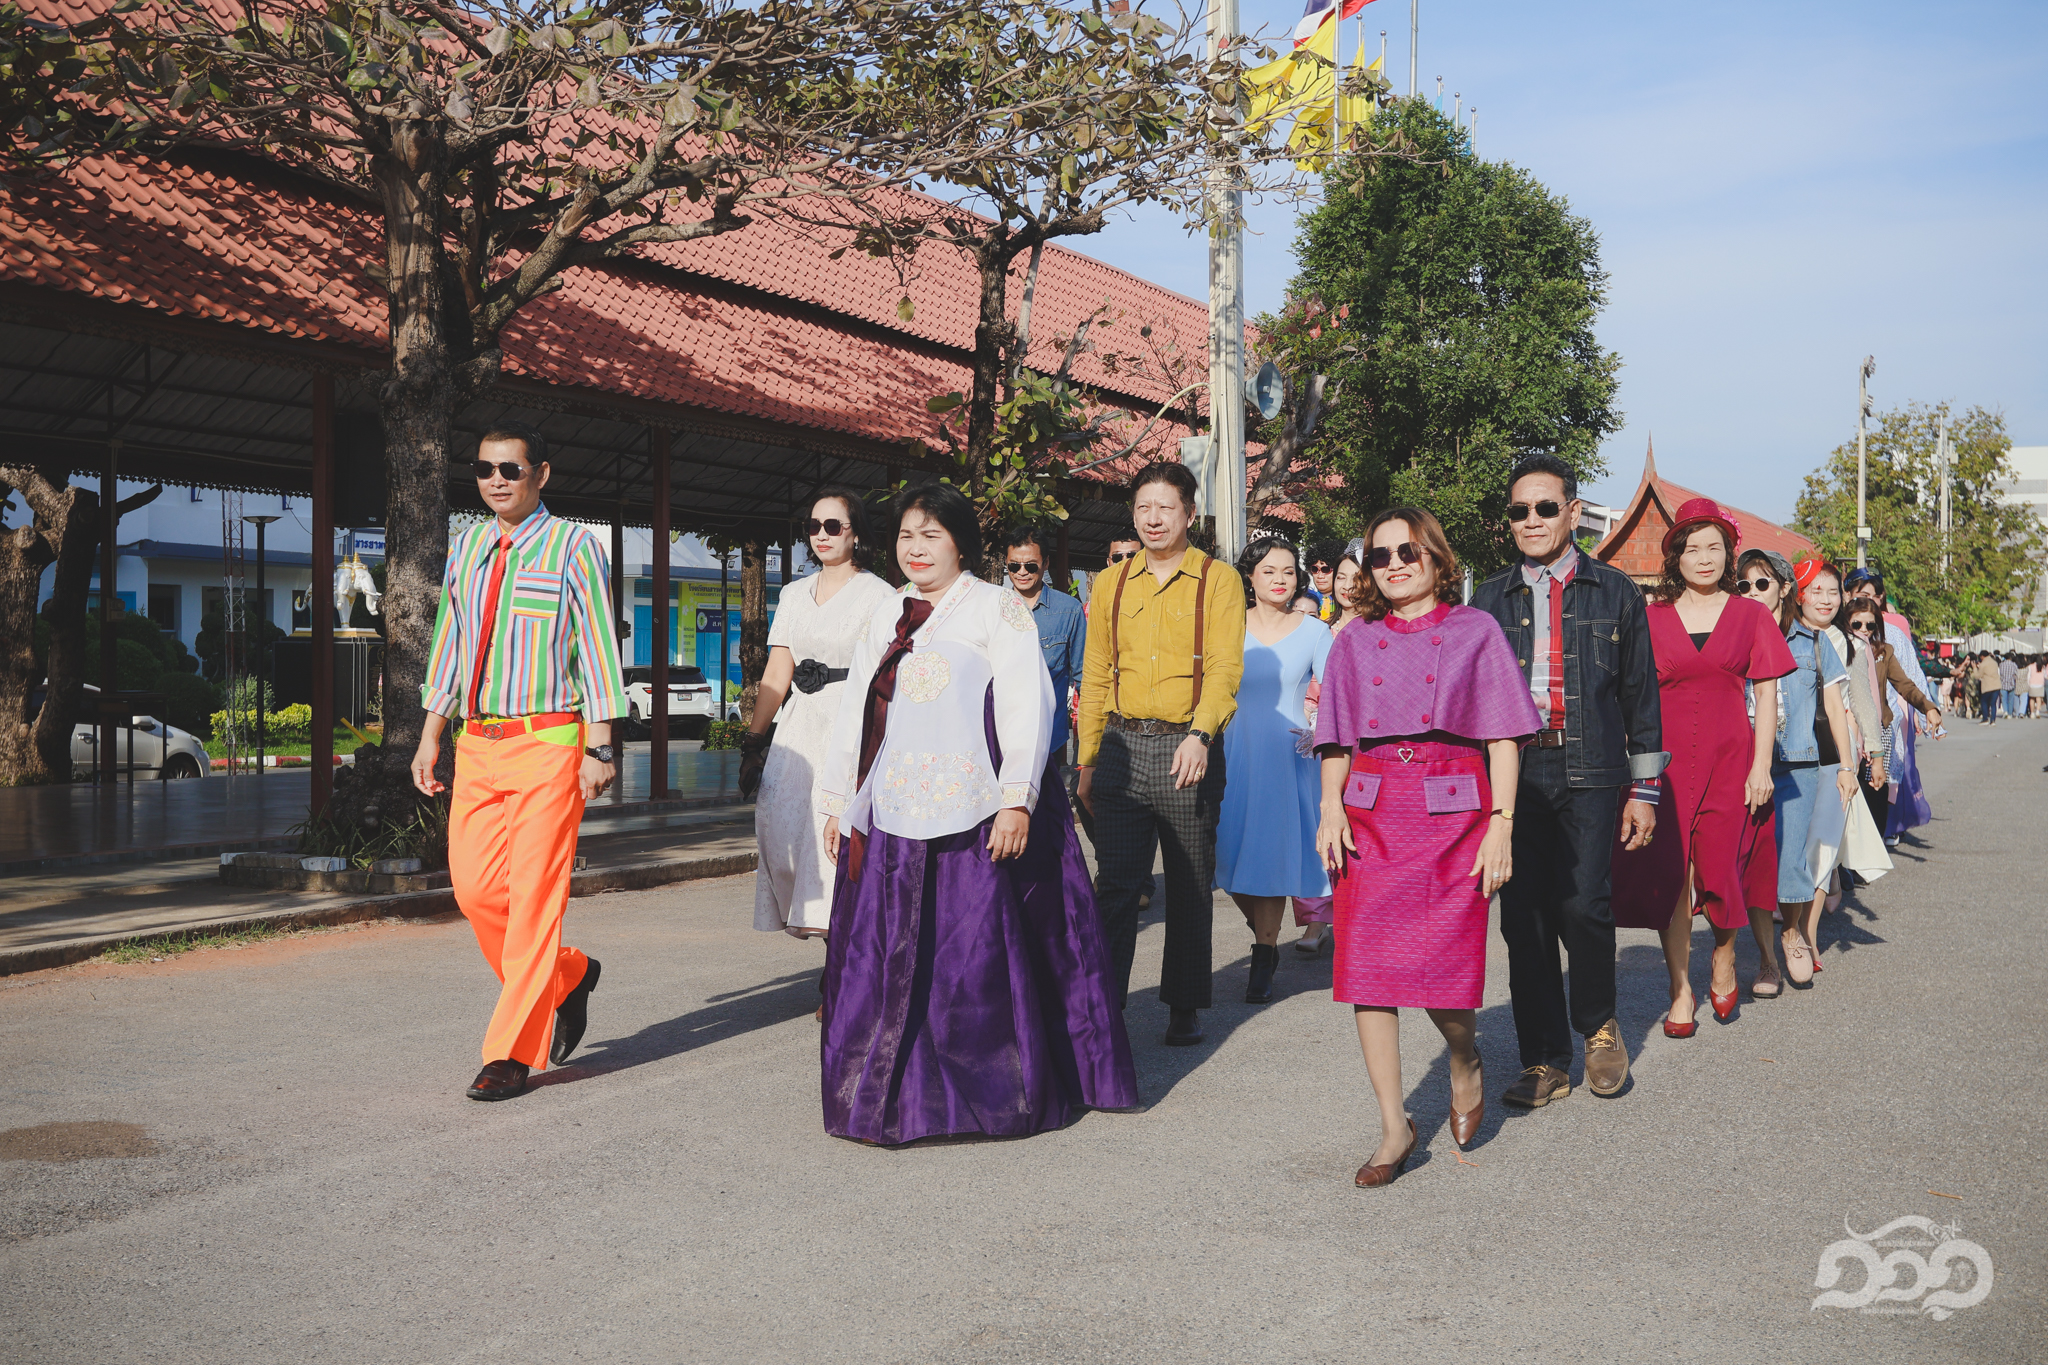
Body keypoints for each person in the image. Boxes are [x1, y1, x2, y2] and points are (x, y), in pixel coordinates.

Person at [814, 483, 1137, 1144]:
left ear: (961, 542)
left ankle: (990, 1092)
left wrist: (1016, 799)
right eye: (907, 535)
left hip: (976, 813)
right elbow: (857, 714)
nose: (916, 548)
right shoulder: (887, 612)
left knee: (973, 962)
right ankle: (895, 1094)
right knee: (891, 961)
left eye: (931, 535)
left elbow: (1028, 706)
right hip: (894, 813)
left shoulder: (997, 608)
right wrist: (839, 803)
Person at [1315, 506, 1538, 1186]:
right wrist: (1329, 807)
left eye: (1407, 550)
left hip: (1454, 811)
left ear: (1437, 557)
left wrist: (1502, 823)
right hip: (1371, 811)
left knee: (1445, 971)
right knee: (1367, 971)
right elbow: (1336, 737)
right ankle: (1394, 1125)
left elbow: (1504, 737)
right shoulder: (1354, 640)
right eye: (1380, 556)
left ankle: (1463, 1059)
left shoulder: (1476, 630)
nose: (1394, 565)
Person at [412, 422, 625, 1101]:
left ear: (541, 474)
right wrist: (431, 733)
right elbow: (449, 643)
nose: (496, 480)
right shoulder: (469, 545)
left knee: (534, 899)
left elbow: (597, 644)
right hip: (477, 742)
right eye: (484, 469)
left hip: (549, 741)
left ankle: (510, 1052)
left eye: (510, 468)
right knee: (476, 892)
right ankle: (569, 975)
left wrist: (599, 744)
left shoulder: (573, 547)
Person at [1470, 455, 1664, 1107]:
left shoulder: (1616, 591)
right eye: (1519, 510)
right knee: (1521, 917)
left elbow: (1640, 695)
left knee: (1584, 904)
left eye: (1545, 507)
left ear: (1573, 512)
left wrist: (1645, 791)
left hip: (1591, 767)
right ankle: (1543, 1058)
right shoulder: (1487, 599)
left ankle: (1599, 1028)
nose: (1532, 520)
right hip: (1512, 773)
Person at [1076, 461, 1246, 1046]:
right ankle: (1105, 1007)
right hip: (1121, 746)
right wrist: (1087, 760)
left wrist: (1202, 735)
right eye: (1143, 508)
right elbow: (1096, 673)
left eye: (1165, 508)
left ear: (1189, 515)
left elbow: (1225, 668)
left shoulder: (1218, 580)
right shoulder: (1110, 583)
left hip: (1186, 745)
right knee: (1116, 885)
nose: (1153, 519)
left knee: (1190, 883)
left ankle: (1184, 1004)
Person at [1609, 499, 1793, 1036]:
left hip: (1732, 760)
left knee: (1721, 868)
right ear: (1676, 557)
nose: (1705, 558)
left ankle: (1724, 952)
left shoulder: (1751, 615)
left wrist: (1762, 766)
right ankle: (1680, 989)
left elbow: (1767, 694)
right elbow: (1628, 697)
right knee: (1672, 874)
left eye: (1714, 547)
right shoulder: (1650, 618)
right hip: (1663, 765)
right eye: (1693, 549)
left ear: (1729, 554)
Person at [743, 490, 898, 943]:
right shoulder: (793, 594)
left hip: (851, 723)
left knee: (836, 837)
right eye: (813, 526)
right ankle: (827, 936)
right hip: (798, 725)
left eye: (833, 526)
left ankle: (843, 956)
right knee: (780, 828)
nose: (821, 535)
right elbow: (778, 670)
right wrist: (753, 741)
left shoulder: (881, 595)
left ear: (856, 533)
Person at [1216, 535, 1333, 1004]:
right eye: (1268, 570)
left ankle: (1263, 955)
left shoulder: (1315, 631)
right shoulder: (1224, 625)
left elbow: (1336, 690)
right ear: (1250, 576)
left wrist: (1318, 728)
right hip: (1230, 751)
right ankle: (1262, 934)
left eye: (1288, 571)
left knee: (1268, 856)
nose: (1280, 579)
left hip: (1288, 756)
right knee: (1225, 856)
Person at [1774, 558, 1861, 987]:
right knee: (1787, 849)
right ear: (1797, 593)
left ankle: (1804, 935)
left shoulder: (1840, 639)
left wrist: (1854, 761)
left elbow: (1850, 703)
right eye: (1816, 590)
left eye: (1833, 591)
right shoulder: (1773, 633)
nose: (1826, 599)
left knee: (1819, 849)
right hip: (1786, 755)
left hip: (1825, 755)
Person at [1731, 548, 1796, 996]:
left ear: (1783, 588)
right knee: (1733, 864)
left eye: (1761, 583)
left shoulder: (1804, 636)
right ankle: (1736, 955)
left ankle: (1781, 947)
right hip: (1736, 756)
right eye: (1744, 585)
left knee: (1775, 863)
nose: (1752, 592)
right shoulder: (1729, 629)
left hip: (1788, 762)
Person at [1843, 568, 1934, 844]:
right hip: (1845, 728)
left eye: (1870, 626)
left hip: (1879, 729)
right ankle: (1847, 855)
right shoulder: (1837, 644)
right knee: (1847, 793)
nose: (1863, 630)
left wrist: (1928, 708)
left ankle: (1873, 845)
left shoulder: (1885, 650)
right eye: (1857, 624)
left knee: (1876, 793)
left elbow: (1906, 683)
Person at [1002, 525, 1088, 814]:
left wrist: (1089, 749)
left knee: (1046, 822)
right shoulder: (992, 608)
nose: (1022, 572)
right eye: (1014, 566)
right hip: (1000, 737)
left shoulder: (1069, 611)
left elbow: (1084, 680)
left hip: (1048, 740)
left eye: (1030, 565)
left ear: (1046, 563)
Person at [1306, 540, 1346, 623]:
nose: (1320, 576)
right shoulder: (1304, 600)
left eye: (1325, 569)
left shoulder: (1347, 602)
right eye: (1315, 569)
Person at [1974, 652, 2003, 724]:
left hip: (1987, 686)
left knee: (1984, 702)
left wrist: (1974, 668)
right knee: (1993, 703)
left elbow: (1978, 676)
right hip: (1996, 685)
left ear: (1982, 656)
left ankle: (1985, 719)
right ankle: (1993, 720)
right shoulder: (1994, 662)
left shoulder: (1983, 664)